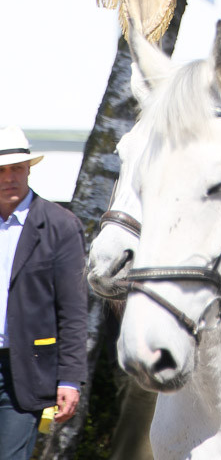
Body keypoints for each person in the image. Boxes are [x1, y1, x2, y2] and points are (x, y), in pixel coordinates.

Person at [0, 127, 87, 460]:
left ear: (29, 169)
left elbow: (74, 311)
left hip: (26, 370)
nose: (9, 177)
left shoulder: (60, 226)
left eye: (16, 168)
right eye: (1, 170)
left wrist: (70, 379)